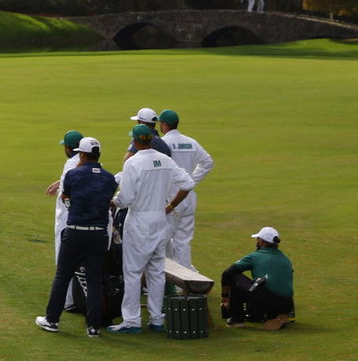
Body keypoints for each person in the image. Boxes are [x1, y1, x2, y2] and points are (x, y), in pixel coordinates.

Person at [110, 123, 194, 333]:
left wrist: (114, 201)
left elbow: (126, 198)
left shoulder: (133, 163)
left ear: (135, 141)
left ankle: (131, 321)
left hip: (139, 221)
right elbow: (188, 183)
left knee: (133, 272)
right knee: (156, 272)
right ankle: (156, 318)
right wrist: (170, 206)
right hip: (160, 219)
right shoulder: (165, 160)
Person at [35, 137, 118, 338]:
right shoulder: (109, 178)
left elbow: (65, 196)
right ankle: (93, 327)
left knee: (63, 276)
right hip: (99, 234)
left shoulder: (73, 174)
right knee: (94, 280)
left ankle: (52, 320)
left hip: (76, 231)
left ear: (81, 154)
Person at [157, 109, 214, 268]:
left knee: (163, 239)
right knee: (183, 240)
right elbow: (208, 163)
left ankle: (166, 276)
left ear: (164, 124)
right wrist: (191, 181)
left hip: (171, 198)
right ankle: (185, 277)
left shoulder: (163, 143)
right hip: (188, 196)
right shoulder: (190, 142)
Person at [221, 226, 295, 328]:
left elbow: (227, 273)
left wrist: (224, 296)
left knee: (235, 277)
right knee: (262, 285)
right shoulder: (286, 258)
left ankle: (237, 320)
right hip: (287, 304)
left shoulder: (255, 256)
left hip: (267, 299)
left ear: (261, 241)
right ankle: (274, 316)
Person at [46, 130, 85, 260]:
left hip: (68, 216)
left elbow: (67, 193)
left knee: (63, 255)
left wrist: (59, 189)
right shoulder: (87, 159)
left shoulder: (71, 163)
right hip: (85, 217)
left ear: (68, 148)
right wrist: (59, 182)